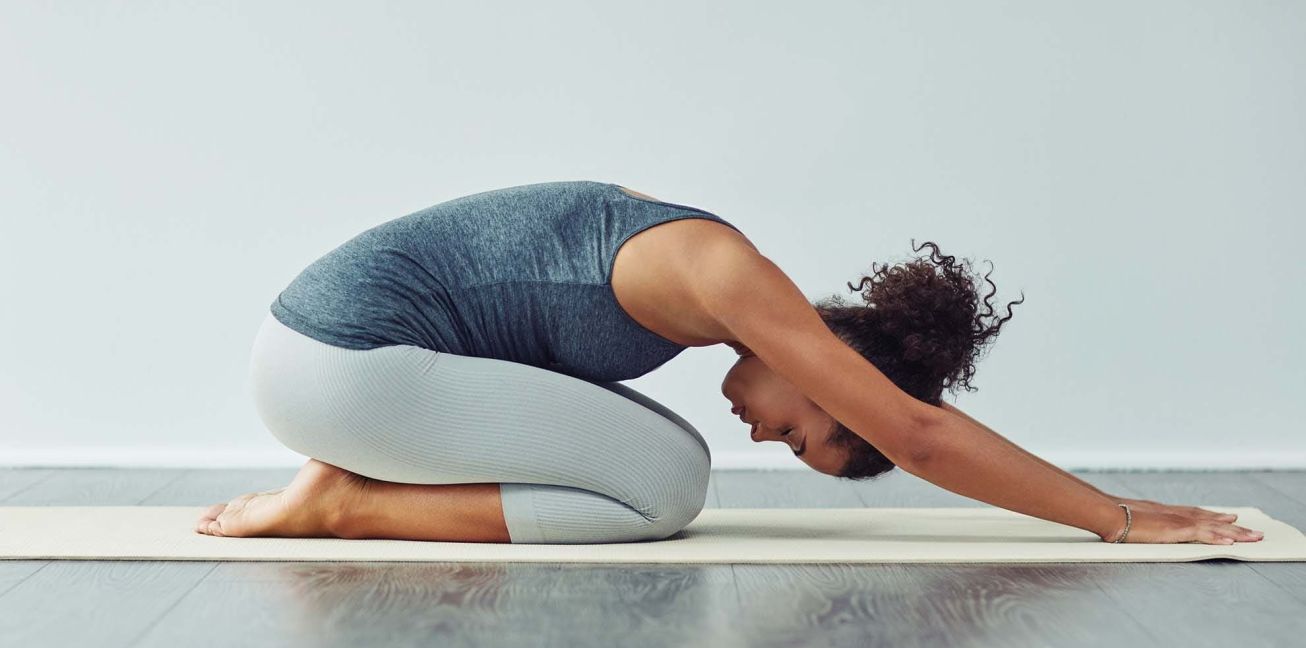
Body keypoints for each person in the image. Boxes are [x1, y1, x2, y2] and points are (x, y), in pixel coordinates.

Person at [195, 180, 1263, 546]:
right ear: (836, 362)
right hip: (342, 364)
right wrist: (1113, 515)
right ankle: (343, 506)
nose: (769, 434)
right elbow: (920, 433)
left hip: (338, 360)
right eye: (804, 431)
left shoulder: (699, 286)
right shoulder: (722, 272)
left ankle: (348, 482)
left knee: (665, 459)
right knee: (667, 485)